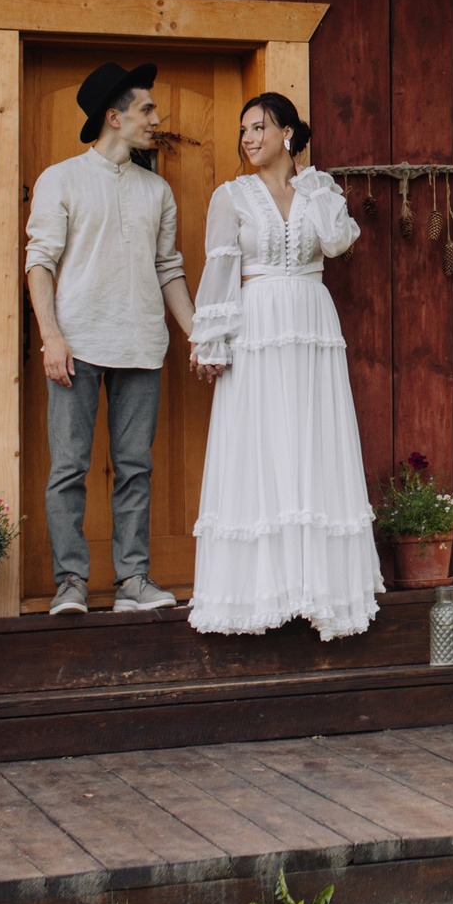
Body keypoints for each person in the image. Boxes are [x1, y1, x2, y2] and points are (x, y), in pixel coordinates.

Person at [185, 93, 381, 638]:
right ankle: (256, 594)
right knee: (261, 443)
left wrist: (316, 189)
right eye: (243, 129)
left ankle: (317, 587)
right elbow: (221, 268)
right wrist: (212, 339)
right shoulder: (232, 196)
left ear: (288, 133)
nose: (249, 138)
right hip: (258, 325)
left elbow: (339, 244)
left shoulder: (319, 189)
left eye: (260, 128)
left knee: (313, 441)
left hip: (312, 324)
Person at [23, 62, 194, 616]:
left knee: (135, 467)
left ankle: (133, 582)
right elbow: (39, 263)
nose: (156, 119)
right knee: (69, 468)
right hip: (76, 346)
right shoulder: (60, 179)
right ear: (113, 117)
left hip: (142, 346)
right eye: (147, 109)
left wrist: (197, 335)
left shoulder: (159, 190)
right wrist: (51, 336)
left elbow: (169, 269)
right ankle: (70, 582)